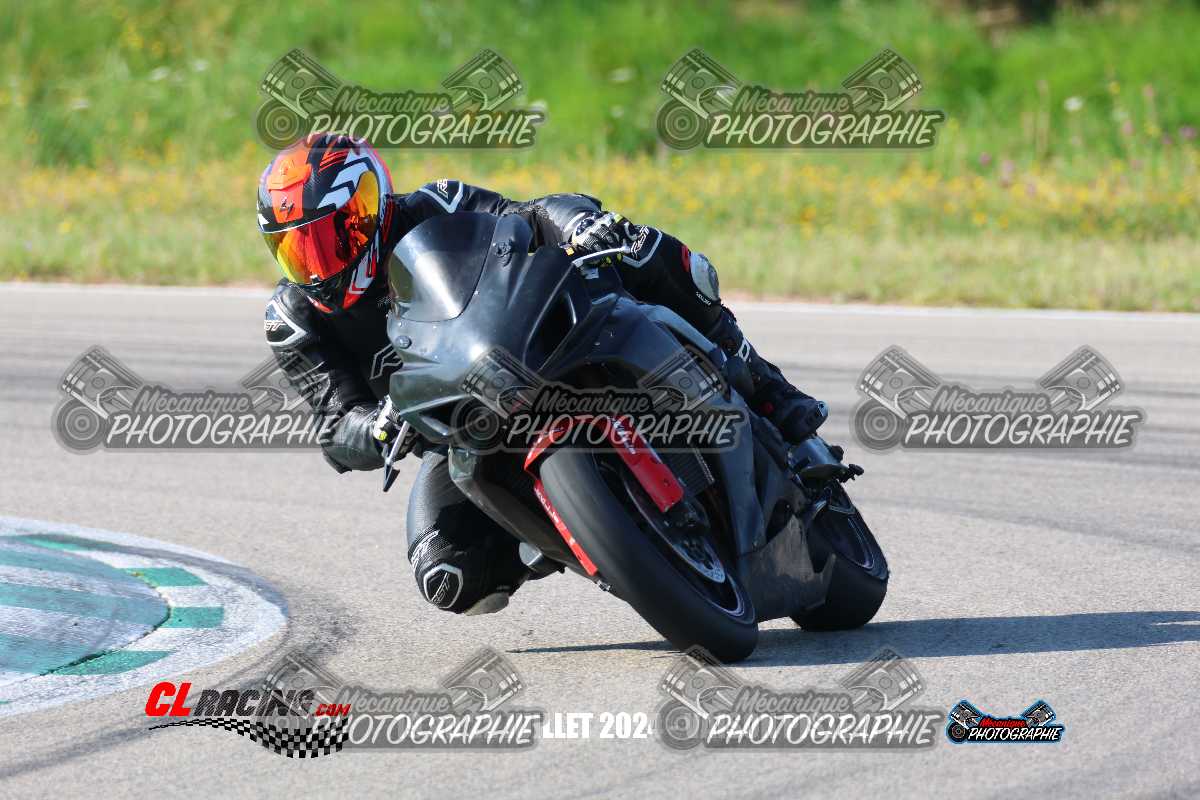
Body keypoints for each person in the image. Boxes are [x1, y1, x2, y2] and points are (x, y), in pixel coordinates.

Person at [258, 133, 827, 615]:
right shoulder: (295, 319)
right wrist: (374, 428)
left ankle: (765, 383)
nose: (318, 264)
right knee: (449, 576)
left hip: (532, 341)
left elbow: (524, 216)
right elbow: (336, 425)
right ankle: (595, 537)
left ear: (369, 205)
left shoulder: (435, 206)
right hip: (460, 428)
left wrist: (580, 223)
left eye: (330, 237)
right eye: (296, 251)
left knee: (638, 248)